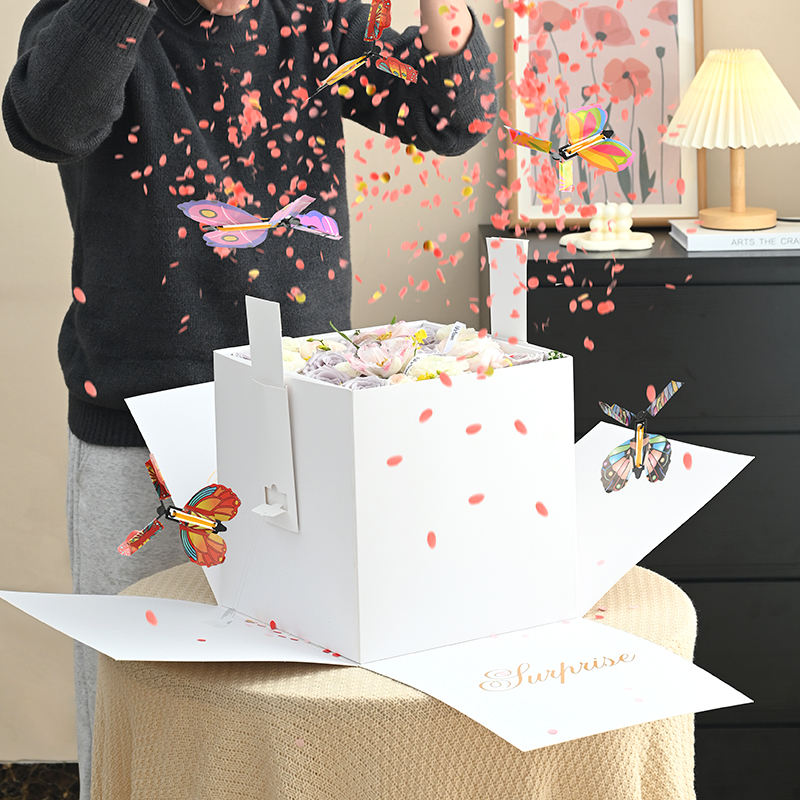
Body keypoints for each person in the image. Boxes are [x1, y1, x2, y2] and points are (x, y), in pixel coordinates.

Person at [3, 0, 497, 795]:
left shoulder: (314, 16)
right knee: (137, 704)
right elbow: (50, 122)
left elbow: (451, 117)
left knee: (290, 706)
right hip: (138, 430)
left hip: (300, 418)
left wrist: (442, 15)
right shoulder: (90, 14)